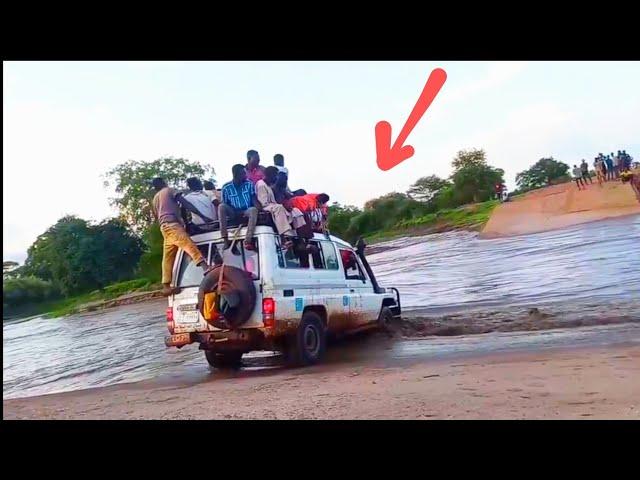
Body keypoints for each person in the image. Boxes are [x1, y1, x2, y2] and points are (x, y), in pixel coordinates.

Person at [151, 177, 216, 296]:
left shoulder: (155, 199)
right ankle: (206, 267)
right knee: (189, 244)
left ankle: (166, 285)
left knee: (168, 255)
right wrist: (202, 216)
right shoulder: (169, 190)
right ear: (164, 183)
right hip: (173, 224)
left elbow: (157, 216)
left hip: (164, 227)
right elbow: (185, 204)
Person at [255, 166, 306, 248]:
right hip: (266, 207)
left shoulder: (270, 185)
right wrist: (280, 205)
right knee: (279, 208)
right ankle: (283, 238)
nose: (276, 178)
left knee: (295, 210)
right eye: (275, 175)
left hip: (274, 206)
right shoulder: (261, 184)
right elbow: (264, 203)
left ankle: (301, 238)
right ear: (269, 175)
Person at [219, 164, 260, 250]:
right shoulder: (226, 187)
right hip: (233, 212)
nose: (246, 175)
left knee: (253, 210)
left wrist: (260, 209)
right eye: (243, 174)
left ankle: (248, 240)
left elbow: (254, 199)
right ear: (236, 175)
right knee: (221, 207)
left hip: (246, 211)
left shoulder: (249, 184)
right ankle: (225, 238)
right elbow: (225, 203)